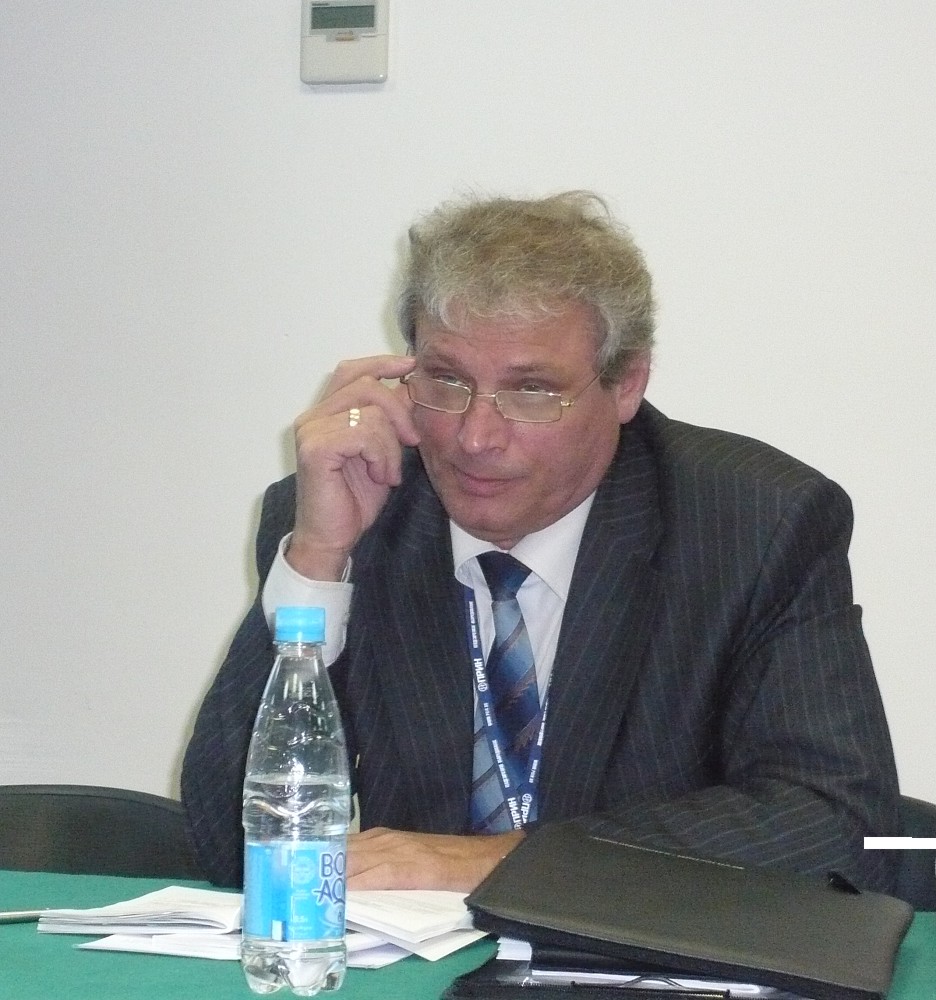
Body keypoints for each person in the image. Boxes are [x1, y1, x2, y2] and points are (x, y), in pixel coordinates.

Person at [181, 190, 899, 894]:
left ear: (627, 384)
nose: (475, 437)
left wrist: (496, 863)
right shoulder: (355, 509)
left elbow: (841, 829)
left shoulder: (754, 526)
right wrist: (317, 561)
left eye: (530, 391)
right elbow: (227, 846)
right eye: (446, 381)